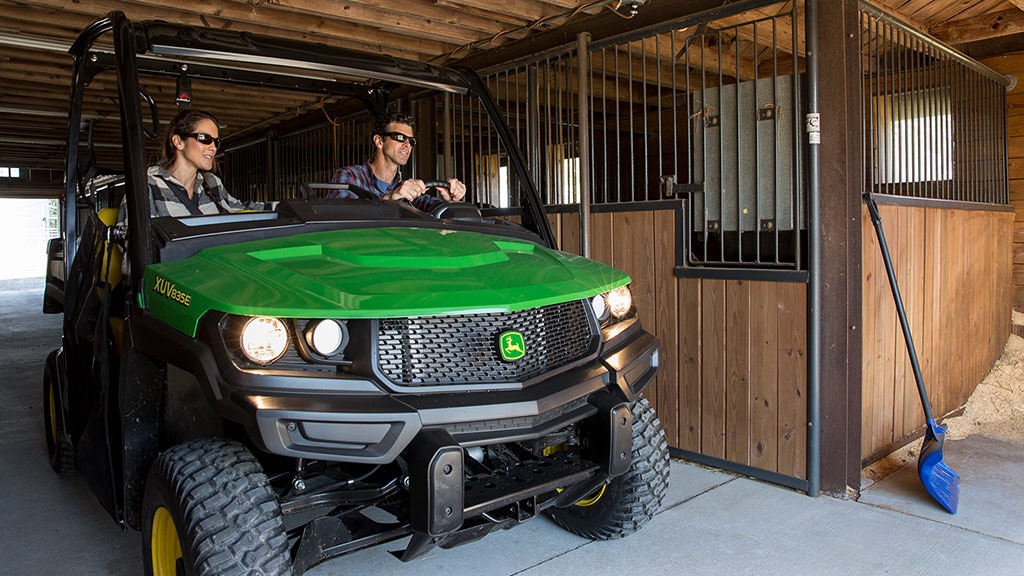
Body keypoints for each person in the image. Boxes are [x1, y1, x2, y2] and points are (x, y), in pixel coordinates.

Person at [330, 111, 466, 211]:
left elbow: (434, 208)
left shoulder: (404, 189)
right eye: (400, 137)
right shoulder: (349, 176)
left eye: (411, 141)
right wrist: (390, 198)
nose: (407, 145)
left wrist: (451, 201)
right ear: (379, 141)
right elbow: (343, 217)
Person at [145, 108, 271, 217]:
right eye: (205, 138)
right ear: (178, 142)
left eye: (216, 142)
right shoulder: (148, 187)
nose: (213, 148)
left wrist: (287, 205)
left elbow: (240, 209)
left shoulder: (212, 183)